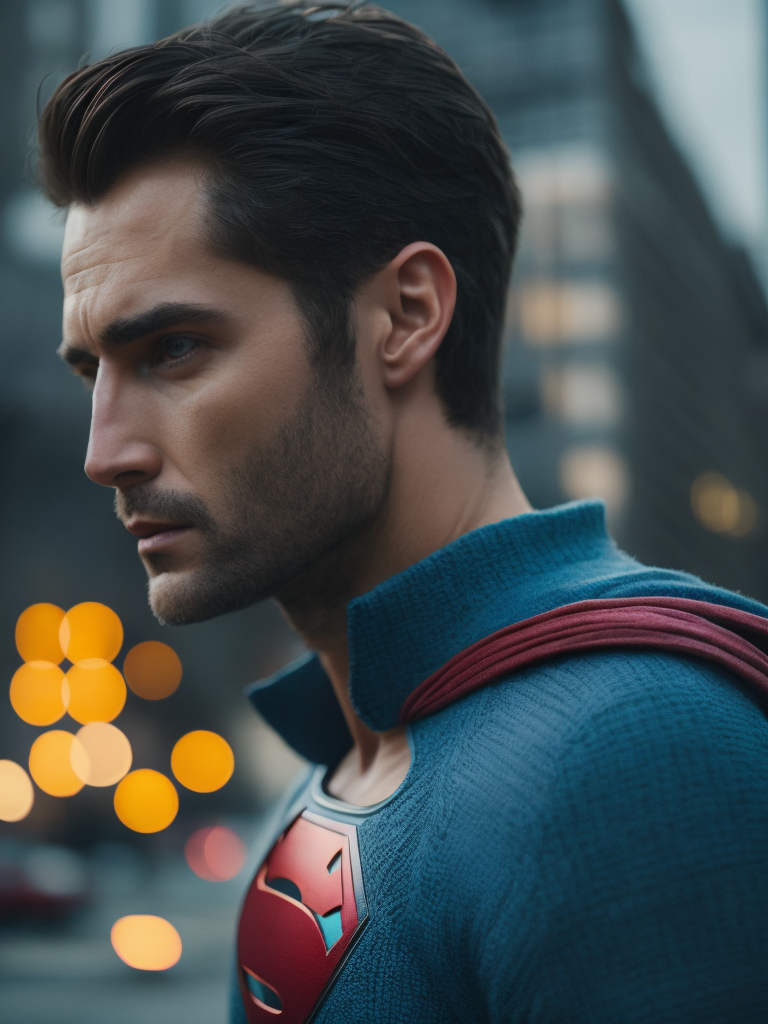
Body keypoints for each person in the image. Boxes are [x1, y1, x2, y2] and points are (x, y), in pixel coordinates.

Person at [39, 3, 768, 1022]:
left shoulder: (635, 750)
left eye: (174, 350)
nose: (103, 451)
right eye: (92, 372)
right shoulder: (355, 746)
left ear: (407, 315)